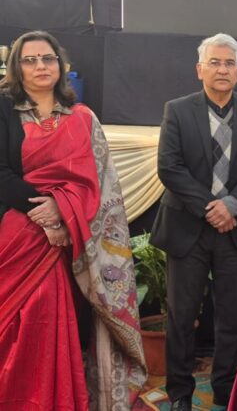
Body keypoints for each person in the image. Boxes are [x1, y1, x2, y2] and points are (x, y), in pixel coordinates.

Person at [0, 30, 146, 410]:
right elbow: (0, 173)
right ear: (17, 68)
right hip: (18, 236)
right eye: (30, 60)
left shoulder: (82, 118)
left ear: (61, 65)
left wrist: (63, 214)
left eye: (47, 58)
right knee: (16, 325)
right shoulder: (4, 111)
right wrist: (48, 213)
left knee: (52, 318)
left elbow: (99, 183)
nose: (40, 66)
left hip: (70, 240)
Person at [150, 33, 237, 410]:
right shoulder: (177, 109)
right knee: (182, 315)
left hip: (235, 229)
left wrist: (232, 205)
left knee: (231, 315)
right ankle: (180, 393)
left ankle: (225, 388)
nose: (222, 69)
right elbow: (169, 166)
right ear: (199, 69)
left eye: (229, 63)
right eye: (215, 62)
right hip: (187, 227)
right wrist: (213, 207)